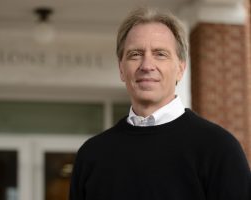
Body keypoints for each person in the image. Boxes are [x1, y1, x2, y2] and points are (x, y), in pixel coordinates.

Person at [69, 7, 251, 200]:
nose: (147, 65)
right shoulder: (92, 155)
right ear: (121, 69)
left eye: (160, 54)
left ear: (181, 68)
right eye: (135, 54)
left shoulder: (219, 149)